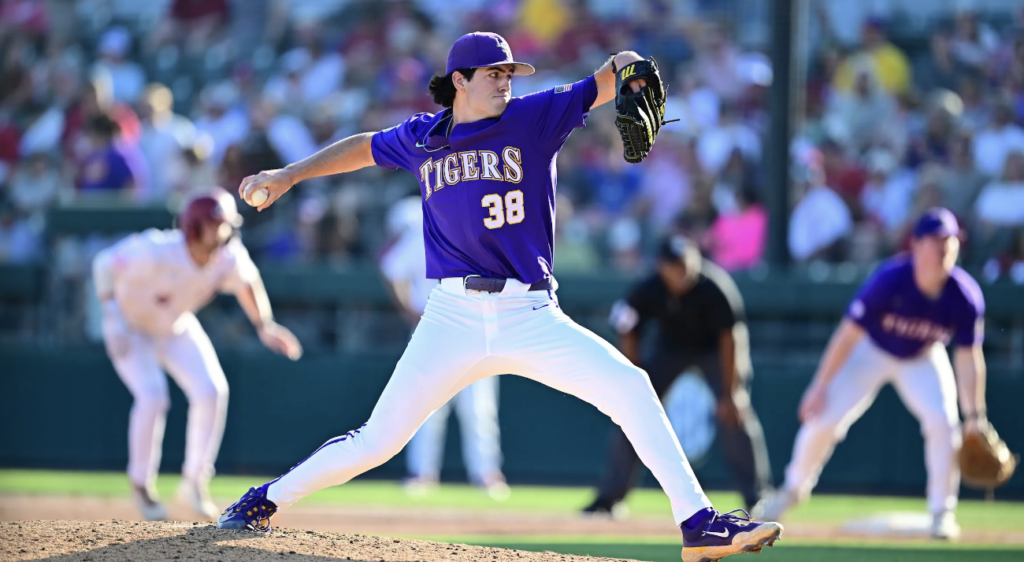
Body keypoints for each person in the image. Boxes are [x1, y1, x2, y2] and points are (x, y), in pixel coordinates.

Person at [219, 32, 783, 561]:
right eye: (494, 72)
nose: (506, 81)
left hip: (529, 313)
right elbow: (365, 146)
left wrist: (632, 68)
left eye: (511, 72)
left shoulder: (535, 118)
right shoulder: (424, 136)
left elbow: (610, 74)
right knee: (377, 442)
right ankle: (267, 499)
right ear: (459, 80)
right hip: (450, 318)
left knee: (630, 386)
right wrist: (290, 175)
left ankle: (698, 524)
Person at [752, 208, 988, 541]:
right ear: (917, 245)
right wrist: (820, 385)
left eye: (951, 241)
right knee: (823, 419)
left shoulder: (964, 295)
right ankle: (790, 491)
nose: (945, 248)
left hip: (923, 356)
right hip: (872, 350)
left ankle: (942, 512)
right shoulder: (890, 279)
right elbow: (847, 335)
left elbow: (968, 356)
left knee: (944, 422)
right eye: (937, 241)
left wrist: (976, 415)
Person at [92, 187, 302, 521]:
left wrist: (265, 325)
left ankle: (195, 481)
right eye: (217, 224)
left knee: (211, 391)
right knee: (153, 397)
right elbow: (104, 263)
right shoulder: (157, 249)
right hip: (130, 327)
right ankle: (141, 484)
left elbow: (248, 281)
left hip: (175, 326)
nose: (225, 231)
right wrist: (111, 316)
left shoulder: (228, 254)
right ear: (195, 226)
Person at [584, 235, 772, 516]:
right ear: (661, 266)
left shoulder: (715, 286)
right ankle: (610, 498)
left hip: (715, 354)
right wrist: (633, 377)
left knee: (735, 411)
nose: (681, 271)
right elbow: (626, 328)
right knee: (633, 410)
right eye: (674, 265)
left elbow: (730, 338)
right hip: (669, 351)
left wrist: (731, 391)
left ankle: (758, 498)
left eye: (685, 264)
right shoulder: (648, 288)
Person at [380, 196, 509, 500]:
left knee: (478, 408)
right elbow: (391, 268)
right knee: (427, 406)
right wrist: (410, 311)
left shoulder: (475, 228)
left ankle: (487, 473)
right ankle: (422, 473)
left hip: (474, 328)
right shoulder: (421, 232)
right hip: (433, 328)